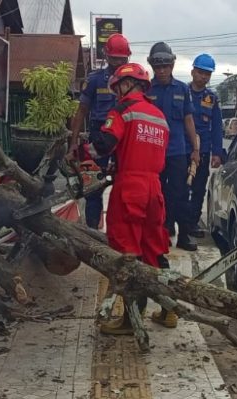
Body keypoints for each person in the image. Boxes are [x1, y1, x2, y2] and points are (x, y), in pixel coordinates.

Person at [86, 63, 170, 335]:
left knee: (128, 254)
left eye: (118, 86)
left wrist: (84, 150)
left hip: (130, 188)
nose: (116, 92)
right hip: (154, 188)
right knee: (154, 248)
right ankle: (170, 310)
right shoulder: (159, 116)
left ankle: (130, 321)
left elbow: (105, 144)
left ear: (127, 84)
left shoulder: (122, 110)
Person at [67, 33, 132, 229]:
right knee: (94, 188)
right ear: (107, 57)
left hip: (123, 139)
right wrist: (72, 144)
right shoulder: (95, 80)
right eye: (114, 58)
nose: (118, 62)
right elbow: (81, 112)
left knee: (125, 188)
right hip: (99, 137)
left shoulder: (133, 80)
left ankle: (120, 232)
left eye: (122, 59)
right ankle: (93, 231)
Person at [146, 42, 200, 255]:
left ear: (172, 66)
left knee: (180, 194)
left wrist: (195, 149)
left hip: (177, 152)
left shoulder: (182, 89)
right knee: (156, 195)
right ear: (152, 66)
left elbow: (188, 120)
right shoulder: (146, 89)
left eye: (165, 66)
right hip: (153, 152)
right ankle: (162, 233)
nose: (161, 70)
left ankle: (184, 235)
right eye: (158, 67)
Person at [187, 53, 224, 238]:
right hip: (183, 149)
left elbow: (217, 127)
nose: (204, 77)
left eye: (207, 74)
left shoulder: (212, 98)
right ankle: (172, 222)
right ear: (193, 71)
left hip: (203, 151)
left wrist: (217, 153)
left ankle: (192, 223)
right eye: (201, 72)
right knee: (178, 188)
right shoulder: (182, 92)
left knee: (199, 188)